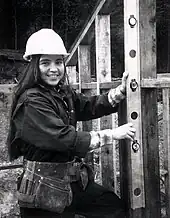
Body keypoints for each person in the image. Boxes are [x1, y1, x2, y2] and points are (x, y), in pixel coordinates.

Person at [7, 28, 136, 218]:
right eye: (45, 63)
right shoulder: (31, 101)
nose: (54, 69)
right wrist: (112, 134)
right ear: (34, 66)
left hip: (71, 182)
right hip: (42, 189)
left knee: (112, 208)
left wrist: (120, 92)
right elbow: (63, 138)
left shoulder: (61, 93)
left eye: (58, 62)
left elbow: (88, 106)